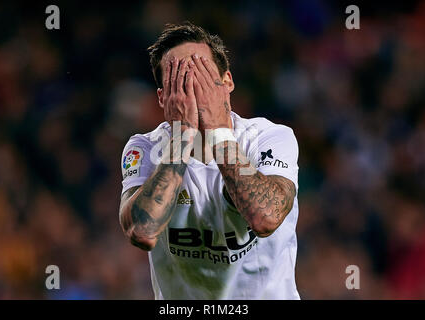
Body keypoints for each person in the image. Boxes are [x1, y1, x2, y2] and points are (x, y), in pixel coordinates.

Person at [119, 22, 300, 299]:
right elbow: (142, 231)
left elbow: (265, 218)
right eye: (179, 80)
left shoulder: (270, 138)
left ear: (227, 81)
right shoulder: (144, 148)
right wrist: (181, 136)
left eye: (201, 75)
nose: (193, 89)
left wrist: (217, 131)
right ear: (162, 98)